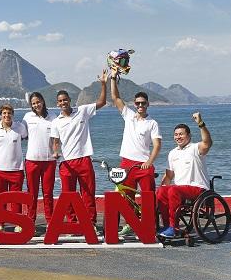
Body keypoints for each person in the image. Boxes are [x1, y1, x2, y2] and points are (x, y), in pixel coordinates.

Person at [51, 70, 108, 230]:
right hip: (66, 163)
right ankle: (73, 223)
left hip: (83, 159)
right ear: (57, 104)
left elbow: (102, 102)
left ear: (70, 100)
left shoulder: (82, 111)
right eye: (60, 101)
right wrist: (55, 152)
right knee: (68, 196)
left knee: (88, 193)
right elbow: (55, 142)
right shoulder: (56, 122)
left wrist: (103, 84)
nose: (63, 103)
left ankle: (91, 223)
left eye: (65, 100)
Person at [109, 67, 162, 235]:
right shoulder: (129, 116)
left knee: (148, 197)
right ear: (134, 104)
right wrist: (113, 78)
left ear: (147, 104)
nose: (140, 105)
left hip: (144, 165)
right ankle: (130, 224)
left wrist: (149, 162)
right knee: (126, 198)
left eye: (143, 103)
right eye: (137, 103)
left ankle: (150, 225)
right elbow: (115, 97)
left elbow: (157, 145)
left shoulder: (152, 123)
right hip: (126, 163)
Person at [157, 112, 213, 238]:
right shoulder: (172, 153)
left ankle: (174, 227)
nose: (178, 137)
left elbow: (208, 142)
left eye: (181, 134)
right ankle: (167, 226)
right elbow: (169, 177)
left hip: (198, 188)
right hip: (179, 190)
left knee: (172, 190)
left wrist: (200, 123)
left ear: (189, 135)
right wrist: (161, 189)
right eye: (176, 135)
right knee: (162, 191)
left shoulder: (195, 148)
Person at [0, 104, 28, 233]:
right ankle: (0, 223)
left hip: (16, 170)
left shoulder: (20, 128)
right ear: (0, 115)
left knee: (16, 199)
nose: (7, 115)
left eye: (9, 113)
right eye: (4, 113)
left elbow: (25, 137)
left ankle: (18, 223)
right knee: (0, 199)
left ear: (13, 115)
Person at [22, 92, 56, 228]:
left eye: (38, 102)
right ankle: (31, 220)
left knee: (48, 193)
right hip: (32, 161)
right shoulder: (27, 117)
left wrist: (56, 152)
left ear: (43, 101)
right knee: (32, 194)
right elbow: (21, 133)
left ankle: (50, 221)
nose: (36, 105)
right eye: (33, 103)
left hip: (49, 161)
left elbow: (57, 138)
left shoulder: (53, 117)